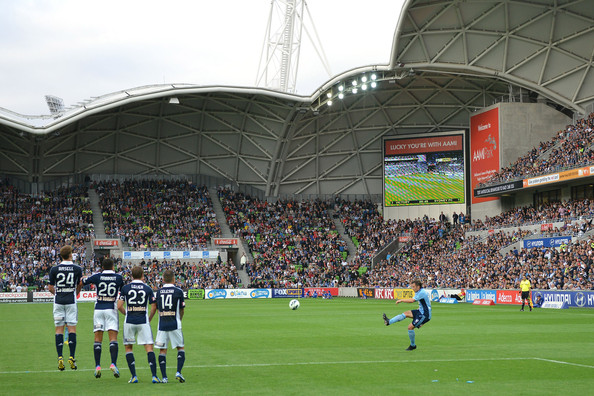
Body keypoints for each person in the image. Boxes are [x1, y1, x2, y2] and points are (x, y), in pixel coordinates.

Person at [83, 258, 124, 378]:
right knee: (113, 338)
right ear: (113, 267)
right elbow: (123, 292)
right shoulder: (118, 278)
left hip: (99, 308)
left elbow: (83, 281)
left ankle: (97, 366)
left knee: (97, 338)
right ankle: (113, 364)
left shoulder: (97, 276)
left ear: (102, 267)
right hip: (111, 307)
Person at [117, 266, 159, 383]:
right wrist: (149, 318)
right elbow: (154, 306)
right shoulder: (147, 288)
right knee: (149, 348)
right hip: (143, 321)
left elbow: (119, 305)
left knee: (129, 348)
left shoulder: (125, 288)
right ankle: (154, 376)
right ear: (142, 275)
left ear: (131, 276)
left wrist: (126, 313)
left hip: (129, 321)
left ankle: (134, 376)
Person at [48, 245, 83, 371]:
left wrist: (58, 294)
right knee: (72, 329)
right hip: (71, 301)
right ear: (70, 255)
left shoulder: (54, 269)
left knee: (59, 329)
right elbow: (79, 284)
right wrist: (76, 293)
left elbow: (51, 288)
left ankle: (60, 357)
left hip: (58, 301)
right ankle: (72, 357)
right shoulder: (77, 268)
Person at [155, 270, 186, 383]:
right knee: (180, 348)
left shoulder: (158, 292)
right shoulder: (178, 291)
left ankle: (164, 377)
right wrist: (179, 319)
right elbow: (182, 309)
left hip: (162, 324)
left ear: (163, 279)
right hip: (175, 324)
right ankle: (178, 372)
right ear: (174, 279)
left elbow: (158, 308)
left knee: (162, 350)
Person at [382, 280, 432, 350]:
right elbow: (426, 302)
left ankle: (413, 345)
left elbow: (412, 301)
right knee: (406, 313)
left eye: (413, 287)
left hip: (424, 315)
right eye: (412, 287)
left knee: (410, 327)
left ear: (418, 286)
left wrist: (401, 300)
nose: (412, 288)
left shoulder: (422, 292)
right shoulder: (420, 291)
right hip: (421, 311)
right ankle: (388, 322)